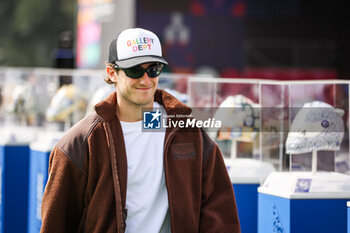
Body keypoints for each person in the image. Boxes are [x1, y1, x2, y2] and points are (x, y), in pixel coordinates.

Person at [40, 28, 241, 233]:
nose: (146, 80)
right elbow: (56, 224)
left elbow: (220, 214)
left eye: (153, 69)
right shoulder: (79, 143)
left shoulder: (188, 132)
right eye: (135, 70)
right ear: (112, 73)